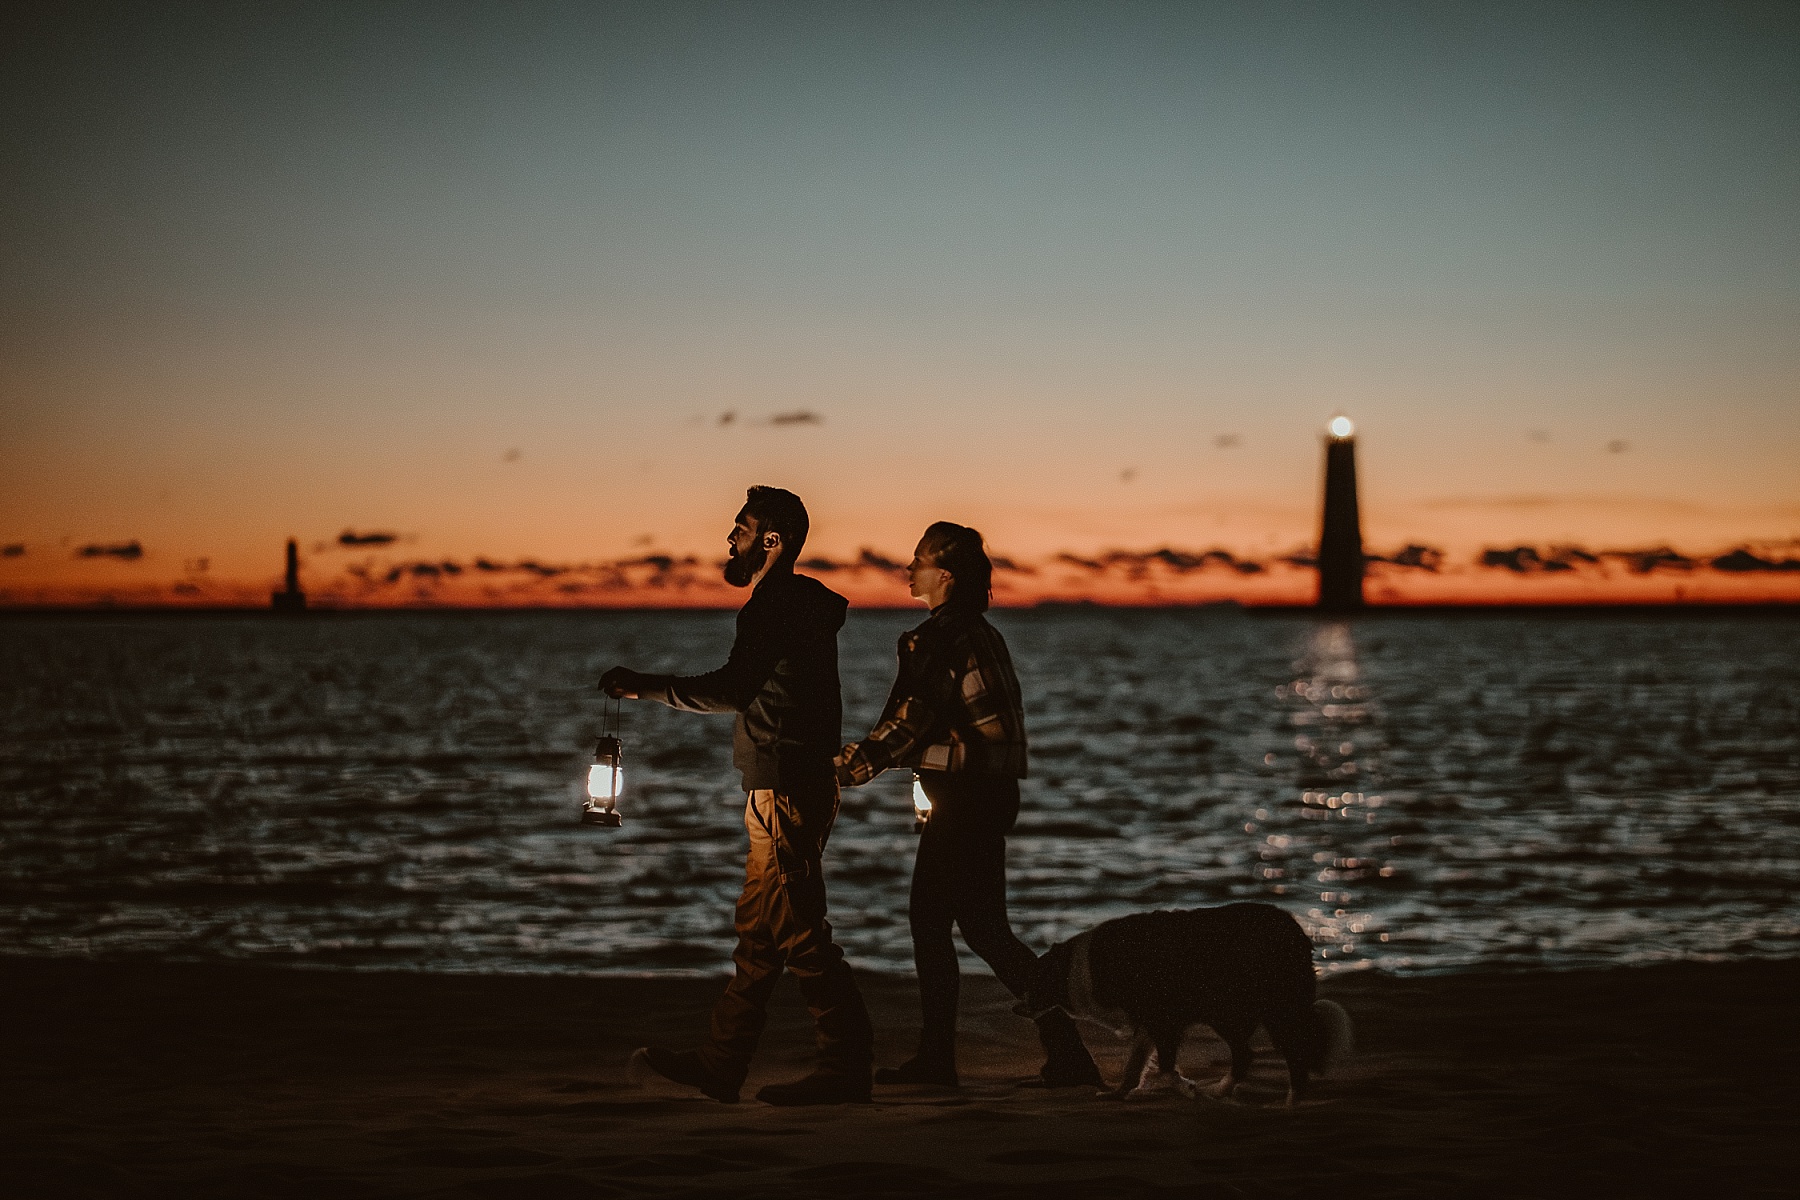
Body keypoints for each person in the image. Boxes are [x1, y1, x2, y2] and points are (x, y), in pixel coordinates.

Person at [599, 486, 873, 1106]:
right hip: (783, 786)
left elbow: (735, 688)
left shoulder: (773, 605)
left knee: (800, 928)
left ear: (770, 541)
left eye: (741, 530)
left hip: (785, 789)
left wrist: (646, 686)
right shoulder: (795, 606)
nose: (730, 540)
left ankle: (847, 1067)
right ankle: (721, 1064)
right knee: (759, 932)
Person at [835, 522, 1102, 1089]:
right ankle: (1067, 1052)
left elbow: (907, 723)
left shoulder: (939, 638)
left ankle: (939, 1062)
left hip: (962, 799)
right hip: (991, 796)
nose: (908, 570)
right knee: (985, 929)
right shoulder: (982, 633)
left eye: (918, 561)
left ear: (944, 576)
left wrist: (843, 770)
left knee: (932, 925)